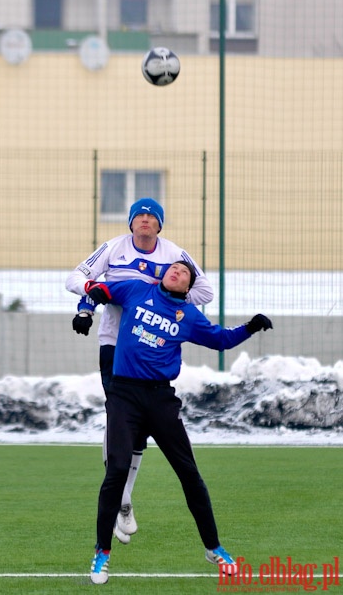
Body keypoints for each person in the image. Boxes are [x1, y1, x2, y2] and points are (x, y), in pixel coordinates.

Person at [82, 260, 273, 584]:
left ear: (188, 289)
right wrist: (94, 294)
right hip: (124, 394)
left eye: (185, 273)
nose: (178, 272)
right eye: (174, 268)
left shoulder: (189, 317)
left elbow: (221, 340)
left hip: (160, 401)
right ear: (164, 275)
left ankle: (213, 548)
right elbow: (99, 289)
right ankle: (102, 552)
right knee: (116, 470)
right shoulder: (136, 289)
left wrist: (251, 327)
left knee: (189, 474)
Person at [65, 198, 214, 544]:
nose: (146, 220)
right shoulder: (113, 248)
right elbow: (76, 277)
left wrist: (165, 302)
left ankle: (124, 497)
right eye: (140, 215)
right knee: (119, 418)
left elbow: (204, 290)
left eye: (152, 216)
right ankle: (123, 499)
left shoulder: (174, 254)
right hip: (115, 346)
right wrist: (93, 297)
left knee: (143, 427)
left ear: (160, 225)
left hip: (154, 347)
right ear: (131, 222)